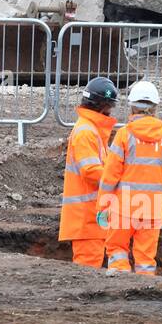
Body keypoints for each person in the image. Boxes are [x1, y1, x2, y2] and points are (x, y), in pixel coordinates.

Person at [98, 80, 162, 275]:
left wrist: (102, 204)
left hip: (123, 208)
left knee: (117, 250)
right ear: (155, 107)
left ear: (132, 106)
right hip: (152, 210)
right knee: (145, 257)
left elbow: (111, 173)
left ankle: (120, 285)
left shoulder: (125, 135)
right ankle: (144, 294)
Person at [58, 77, 119, 268]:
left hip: (91, 218)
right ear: (104, 106)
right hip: (86, 219)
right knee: (87, 272)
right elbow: (92, 171)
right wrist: (119, 179)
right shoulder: (87, 132)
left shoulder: (91, 129)